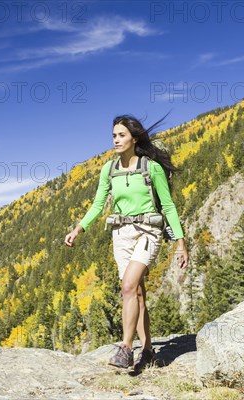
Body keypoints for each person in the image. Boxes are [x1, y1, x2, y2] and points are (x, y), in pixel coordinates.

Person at [64, 114, 188, 369]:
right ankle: (148, 350)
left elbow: (168, 206)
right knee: (137, 293)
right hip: (120, 235)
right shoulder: (109, 169)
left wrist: (181, 242)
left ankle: (125, 347)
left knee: (129, 287)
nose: (116, 140)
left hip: (148, 232)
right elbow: (99, 204)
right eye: (113, 136)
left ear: (134, 138)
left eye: (121, 135)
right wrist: (79, 229)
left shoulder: (151, 168)